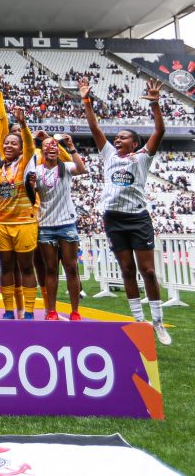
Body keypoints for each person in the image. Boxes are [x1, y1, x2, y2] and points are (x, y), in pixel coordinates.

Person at [82, 77, 171, 345]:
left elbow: (160, 131)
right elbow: (94, 126)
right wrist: (86, 99)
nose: (116, 139)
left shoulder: (143, 156)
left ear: (134, 143)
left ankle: (157, 321)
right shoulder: (108, 154)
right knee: (127, 270)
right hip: (114, 218)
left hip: (138, 218)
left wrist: (155, 104)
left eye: (123, 137)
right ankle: (138, 319)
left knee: (149, 272)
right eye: (116, 137)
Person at [0, 101, 38, 319]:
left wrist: (23, 124)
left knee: (26, 268)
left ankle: (29, 311)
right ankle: (9, 310)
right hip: (1, 224)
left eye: (13, 144)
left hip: (24, 223)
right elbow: (2, 126)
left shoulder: (25, 163)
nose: (9, 146)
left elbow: (29, 144)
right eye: (6, 143)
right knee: (6, 268)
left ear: (21, 149)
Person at [34, 134, 86, 321]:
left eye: (54, 145)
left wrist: (71, 146)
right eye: (47, 145)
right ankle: (52, 311)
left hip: (66, 224)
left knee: (71, 267)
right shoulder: (36, 171)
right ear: (42, 150)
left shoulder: (65, 167)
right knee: (51, 270)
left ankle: (75, 311)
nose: (51, 147)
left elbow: (81, 168)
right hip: (46, 225)